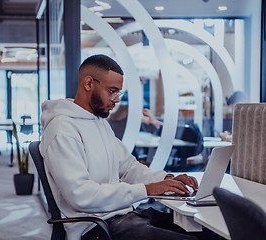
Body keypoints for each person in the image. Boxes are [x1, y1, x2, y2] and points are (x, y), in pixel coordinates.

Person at [39, 54, 200, 240]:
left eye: (118, 93)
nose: (116, 100)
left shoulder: (99, 123)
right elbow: (81, 195)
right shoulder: (62, 130)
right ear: (89, 83)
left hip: (123, 215)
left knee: (201, 230)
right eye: (112, 91)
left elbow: (129, 167)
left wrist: (166, 179)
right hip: (96, 228)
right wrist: (147, 189)